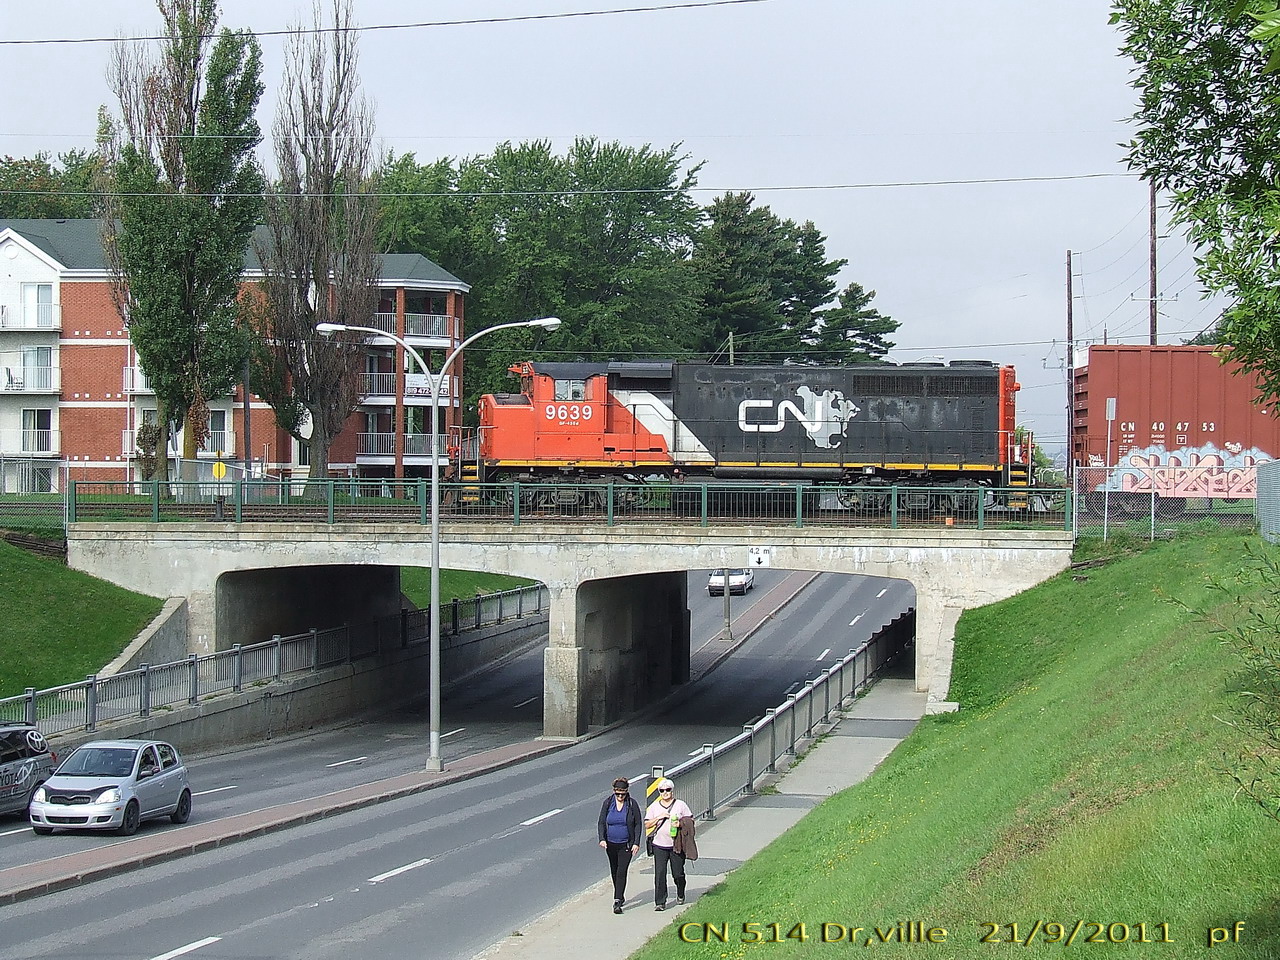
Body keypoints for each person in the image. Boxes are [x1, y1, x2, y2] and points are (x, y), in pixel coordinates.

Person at [645, 777, 693, 911]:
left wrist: (680, 823)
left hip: (676, 845)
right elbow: (647, 824)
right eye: (662, 790)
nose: (665, 793)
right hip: (659, 845)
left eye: (668, 790)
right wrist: (659, 817)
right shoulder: (654, 806)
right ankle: (660, 902)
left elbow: (690, 821)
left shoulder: (680, 805)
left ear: (672, 791)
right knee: (660, 873)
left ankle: (680, 891)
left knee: (678, 873)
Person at [597, 776, 642, 914]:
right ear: (614, 792)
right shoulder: (608, 803)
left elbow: (638, 824)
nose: (620, 796)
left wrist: (636, 843)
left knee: (622, 871)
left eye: (623, 794)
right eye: (618, 794)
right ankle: (620, 894)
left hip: (626, 845)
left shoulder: (632, 804)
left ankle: (617, 901)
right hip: (611, 844)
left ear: (627, 792)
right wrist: (602, 839)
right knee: (614, 871)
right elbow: (601, 822)